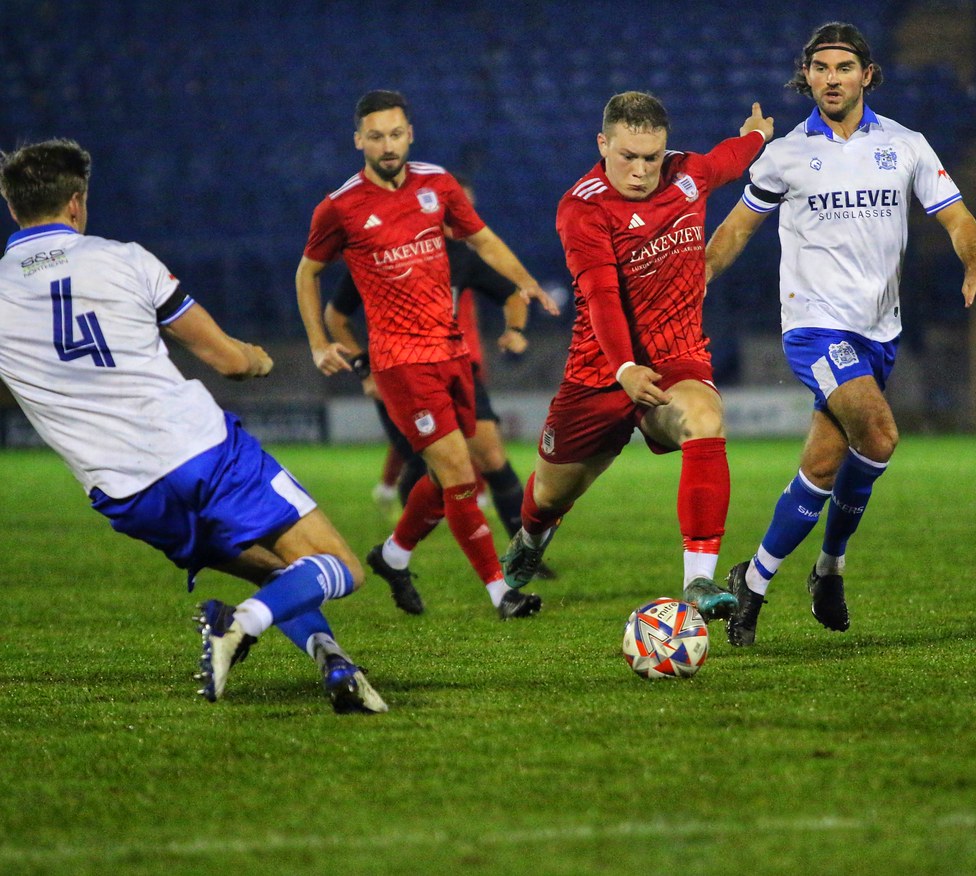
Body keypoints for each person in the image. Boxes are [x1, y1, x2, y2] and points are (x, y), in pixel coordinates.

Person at [0, 139, 387, 714]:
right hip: (202, 453)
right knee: (340, 567)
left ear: (13, 208)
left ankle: (335, 663)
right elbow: (229, 361)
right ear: (76, 203)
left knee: (281, 573)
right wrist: (259, 358)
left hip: (127, 495)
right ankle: (237, 626)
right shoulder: (126, 259)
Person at [705, 22, 976, 646]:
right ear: (806, 76)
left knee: (821, 464)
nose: (831, 78)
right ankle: (828, 569)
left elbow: (958, 217)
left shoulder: (906, 146)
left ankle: (759, 582)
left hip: (878, 331)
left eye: (843, 67)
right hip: (813, 325)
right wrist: (698, 276)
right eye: (820, 68)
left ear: (866, 74)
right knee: (882, 431)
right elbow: (736, 227)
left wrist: (975, 263)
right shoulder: (785, 153)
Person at [499, 91, 774, 622]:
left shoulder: (686, 175)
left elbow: (729, 159)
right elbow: (601, 296)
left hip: (677, 358)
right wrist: (624, 369)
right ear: (603, 144)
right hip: (599, 371)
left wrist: (757, 136)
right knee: (551, 497)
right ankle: (532, 536)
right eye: (628, 156)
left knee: (704, 419)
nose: (642, 170)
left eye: (652, 157)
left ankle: (698, 579)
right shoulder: (582, 208)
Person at [296, 89, 560, 620]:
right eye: (376, 136)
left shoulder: (436, 185)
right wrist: (320, 343)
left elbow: (482, 240)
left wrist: (524, 280)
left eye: (395, 134)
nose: (387, 145)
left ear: (409, 134)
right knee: (462, 476)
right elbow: (308, 272)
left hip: (451, 355)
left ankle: (393, 556)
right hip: (400, 362)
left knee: (445, 483)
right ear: (359, 141)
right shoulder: (341, 206)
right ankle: (499, 592)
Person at [323, 177, 557, 579]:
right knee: (424, 465)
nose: (460, 218)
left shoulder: (460, 258)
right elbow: (335, 316)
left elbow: (510, 294)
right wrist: (364, 367)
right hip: (401, 371)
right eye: (454, 208)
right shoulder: (378, 249)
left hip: (456, 367)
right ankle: (403, 550)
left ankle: (523, 556)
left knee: (492, 457)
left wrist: (515, 330)